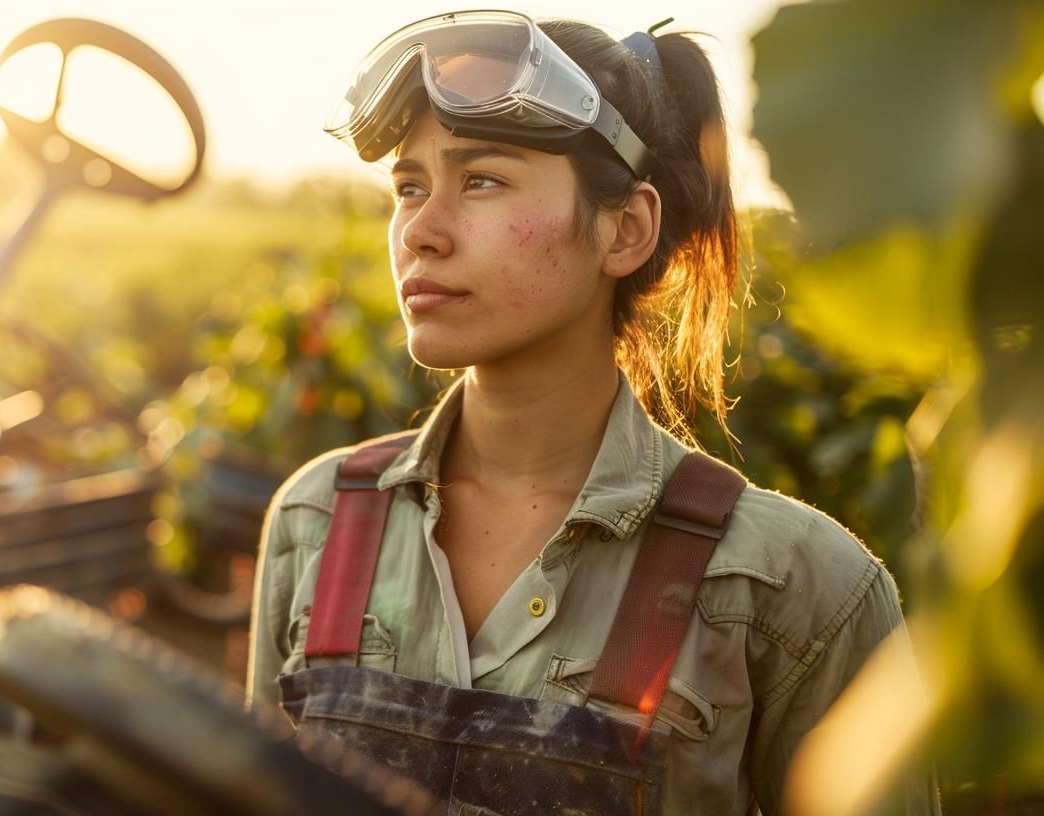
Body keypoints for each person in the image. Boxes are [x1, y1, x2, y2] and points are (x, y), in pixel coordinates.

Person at [245, 10, 939, 815]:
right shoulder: (318, 519)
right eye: (409, 187)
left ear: (626, 230)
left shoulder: (796, 589)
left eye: (482, 180)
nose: (421, 232)